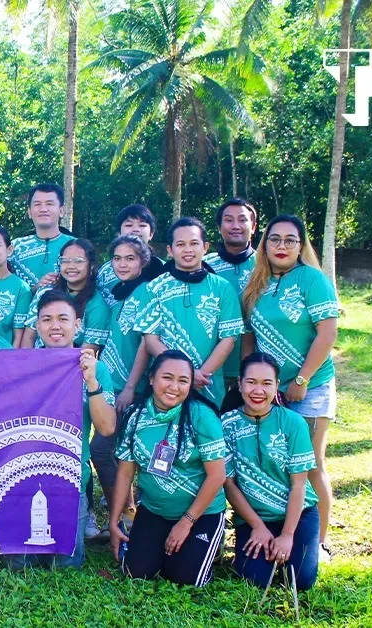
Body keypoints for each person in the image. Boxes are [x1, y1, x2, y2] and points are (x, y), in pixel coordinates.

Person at [240, 214, 339, 560]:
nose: (281, 246)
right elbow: (249, 339)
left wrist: (301, 380)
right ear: (264, 244)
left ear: (301, 246)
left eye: (290, 240)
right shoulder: (256, 283)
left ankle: (320, 541)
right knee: (274, 461)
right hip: (268, 392)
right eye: (275, 239)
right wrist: (247, 380)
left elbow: (327, 334)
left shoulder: (313, 280)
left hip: (309, 388)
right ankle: (280, 531)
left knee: (310, 466)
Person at [6, 291, 116, 569]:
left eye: (63, 319)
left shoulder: (96, 369)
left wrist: (91, 382)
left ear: (77, 324)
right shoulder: (20, 367)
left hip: (70, 475)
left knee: (66, 565)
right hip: (22, 474)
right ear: (38, 325)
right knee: (20, 564)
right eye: (47, 319)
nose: (55, 325)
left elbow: (106, 427)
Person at [109, 350, 228, 586]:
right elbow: (125, 473)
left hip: (200, 514)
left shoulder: (202, 416)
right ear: (151, 378)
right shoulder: (135, 416)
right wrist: (113, 521)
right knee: (137, 574)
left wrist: (186, 522)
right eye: (167, 378)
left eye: (183, 380)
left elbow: (217, 476)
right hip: (154, 509)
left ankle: (205, 544)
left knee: (186, 579)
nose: (174, 386)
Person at [222, 352, 321, 591]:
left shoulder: (293, 422)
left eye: (267, 383)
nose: (258, 390)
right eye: (251, 382)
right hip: (253, 516)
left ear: (277, 386)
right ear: (239, 383)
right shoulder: (225, 424)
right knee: (255, 579)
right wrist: (257, 526)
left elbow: (299, 484)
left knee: (300, 581)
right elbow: (228, 483)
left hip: (298, 514)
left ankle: (293, 546)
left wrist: (287, 535)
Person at [137, 217, 244, 407]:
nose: (188, 249)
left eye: (194, 243)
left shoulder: (222, 288)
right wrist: (185, 374)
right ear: (170, 250)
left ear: (206, 247)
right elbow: (151, 340)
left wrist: (198, 375)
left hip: (208, 385)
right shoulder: (154, 289)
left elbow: (229, 339)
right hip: (166, 385)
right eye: (180, 244)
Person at [95, 235, 160, 532]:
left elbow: (146, 344)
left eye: (130, 258)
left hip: (130, 389)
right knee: (113, 452)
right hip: (113, 385)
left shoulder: (146, 292)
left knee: (109, 451)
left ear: (143, 261)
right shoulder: (120, 294)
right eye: (117, 258)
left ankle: (131, 517)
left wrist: (131, 387)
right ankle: (125, 515)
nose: (122, 264)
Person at [204, 199, 258, 394]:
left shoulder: (266, 265)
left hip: (255, 369)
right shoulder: (203, 265)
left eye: (242, 220)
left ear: (253, 227)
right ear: (219, 227)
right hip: (209, 369)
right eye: (228, 220)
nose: (235, 226)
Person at [21, 239, 110, 351]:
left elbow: (87, 351)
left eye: (78, 261)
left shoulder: (97, 305)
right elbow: (29, 337)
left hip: (72, 365)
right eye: (65, 261)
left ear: (91, 266)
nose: (70, 266)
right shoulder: (45, 291)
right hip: (38, 362)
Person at [10, 183, 77, 290]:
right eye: (37, 204)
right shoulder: (14, 248)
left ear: (61, 211)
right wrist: (35, 288)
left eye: (49, 204)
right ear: (29, 212)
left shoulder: (77, 246)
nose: (43, 209)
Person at [99, 204, 161, 306]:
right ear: (119, 233)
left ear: (151, 234)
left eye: (142, 225)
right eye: (129, 225)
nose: (135, 230)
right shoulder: (104, 272)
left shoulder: (162, 270)